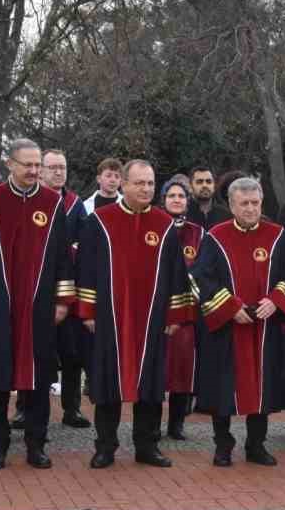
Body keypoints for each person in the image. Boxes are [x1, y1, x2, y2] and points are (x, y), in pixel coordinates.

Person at [74, 159, 193, 468]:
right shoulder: (99, 221)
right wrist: (87, 311)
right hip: (111, 319)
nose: (146, 189)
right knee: (107, 383)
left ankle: (147, 445)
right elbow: (85, 269)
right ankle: (105, 447)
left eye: (151, 183)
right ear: (123, 184)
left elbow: (177, 274)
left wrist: (175, 316)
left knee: (151, 385)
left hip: (152, 319)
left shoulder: (164, 224)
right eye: (139, 183)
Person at [0, 138, 75, 470]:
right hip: (0, 303)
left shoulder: (53, 204)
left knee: (40, 376)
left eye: (36, 165)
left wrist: (62, 300)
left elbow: (62, 257)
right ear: (10, 164)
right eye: (26, 164)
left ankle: (35, 444)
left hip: (40, 305)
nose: (32, 170)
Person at [190, 177, 285, 466]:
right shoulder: (215, 237)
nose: (251, 209)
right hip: (228, 326)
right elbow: (201, 278)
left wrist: (276, 300)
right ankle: (223, 445)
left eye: (255, 203)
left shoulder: (278, 236)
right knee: (222, 387)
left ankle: (256, 445)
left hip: (265, 326)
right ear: (231, 205)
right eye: (244, 204)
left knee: (263, 386)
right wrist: (229, 306)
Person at [41, 148, 90, 428]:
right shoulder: (33, 202)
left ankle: (71, 409)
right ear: (42, 170)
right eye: (53, 167)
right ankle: (28, 408)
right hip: (39, 290)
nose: (58, 172)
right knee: (37, 352)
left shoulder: (75, 204)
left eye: (62, 167)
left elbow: (84, 244)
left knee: (72, 354)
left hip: (69, 291)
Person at [159, 176, 203, 440]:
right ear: (163, 200)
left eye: (181, 196)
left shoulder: (198, 233)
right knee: (155, 370)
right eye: (171, 196)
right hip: (155, 310)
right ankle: (151, 425)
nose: (177, 200)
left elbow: (203, 268)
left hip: (186, 312)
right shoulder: (154, 226)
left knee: (182, 370)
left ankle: (176, 425)